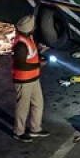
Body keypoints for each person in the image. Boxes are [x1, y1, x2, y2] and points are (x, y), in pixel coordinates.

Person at [12, 14, 49, 142]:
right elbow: (20, 63)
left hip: (33, 78)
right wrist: (38, 64)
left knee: (38, 104)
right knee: (22, 107)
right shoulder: (21, 45)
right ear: (29, 28)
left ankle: (35, 129)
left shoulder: (29, 37)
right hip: (23, 80)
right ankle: (19, 131)